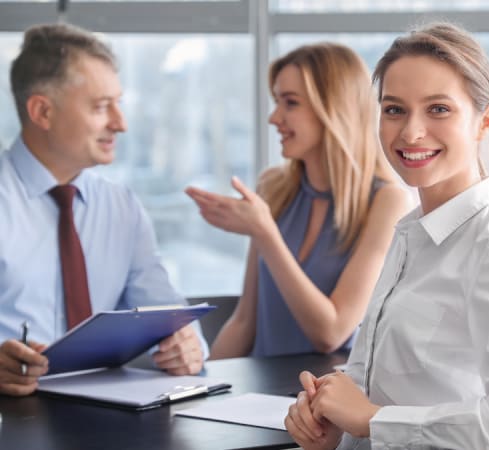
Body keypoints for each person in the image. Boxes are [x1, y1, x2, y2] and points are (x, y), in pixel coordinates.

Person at [284, 23, 489, 450]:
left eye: (438, 109)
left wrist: (374, 421)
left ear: (483, 121)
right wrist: (327, 413)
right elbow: (371, 380)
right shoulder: (410, 234)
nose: (411, 132)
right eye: (394, 110)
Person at [0, 23, 207, 397]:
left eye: (119, 103)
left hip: (107, 417)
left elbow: (167, 311)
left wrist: (189, 345)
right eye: (100, 107)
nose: (120, 123)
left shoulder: (121, 206)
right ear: (42, 112)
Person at [185, 43, 408, 358]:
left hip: (324, 400)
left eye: (290, 103)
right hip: (256, 397)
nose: (274, 118)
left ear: (332, 108)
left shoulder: (388, 201)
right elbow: (244, 322)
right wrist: (204, 392)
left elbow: (331, 333)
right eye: (277, 101)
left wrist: (265, 233)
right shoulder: (273, 187)